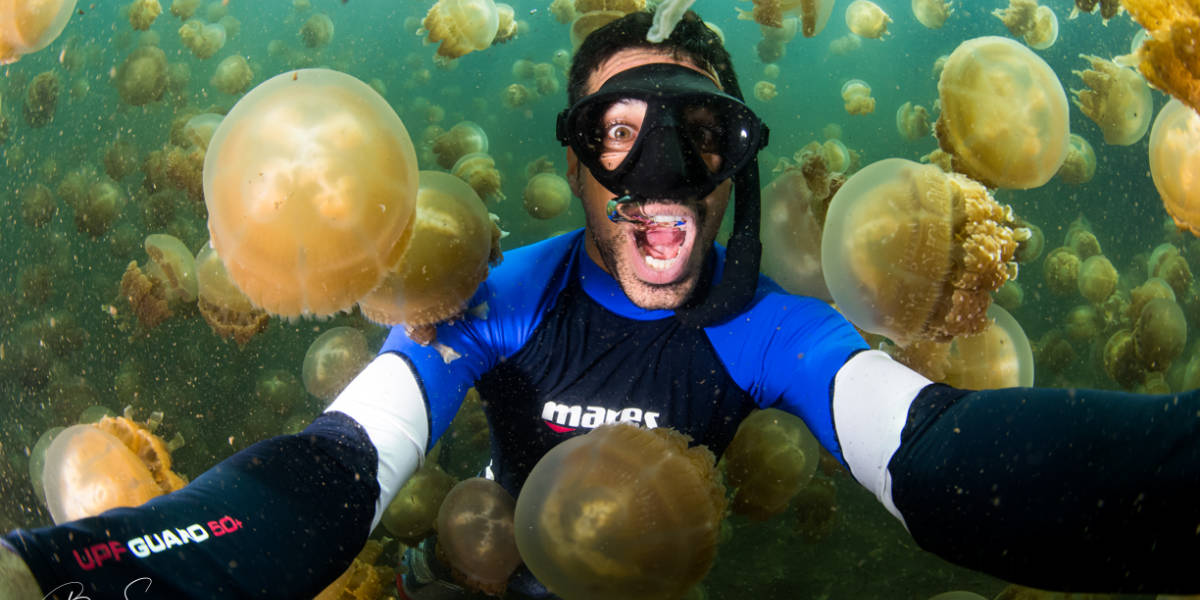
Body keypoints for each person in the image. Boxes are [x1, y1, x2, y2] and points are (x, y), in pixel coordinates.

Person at [3, 9, 1200, 600]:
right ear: (576, 164)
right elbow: (338, 467)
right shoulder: (497, 294)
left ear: (741, 160)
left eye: (700, 136)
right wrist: (68, 574)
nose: (660, 179)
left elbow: (933, 454)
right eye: (618, 137)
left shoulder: (772, 327)